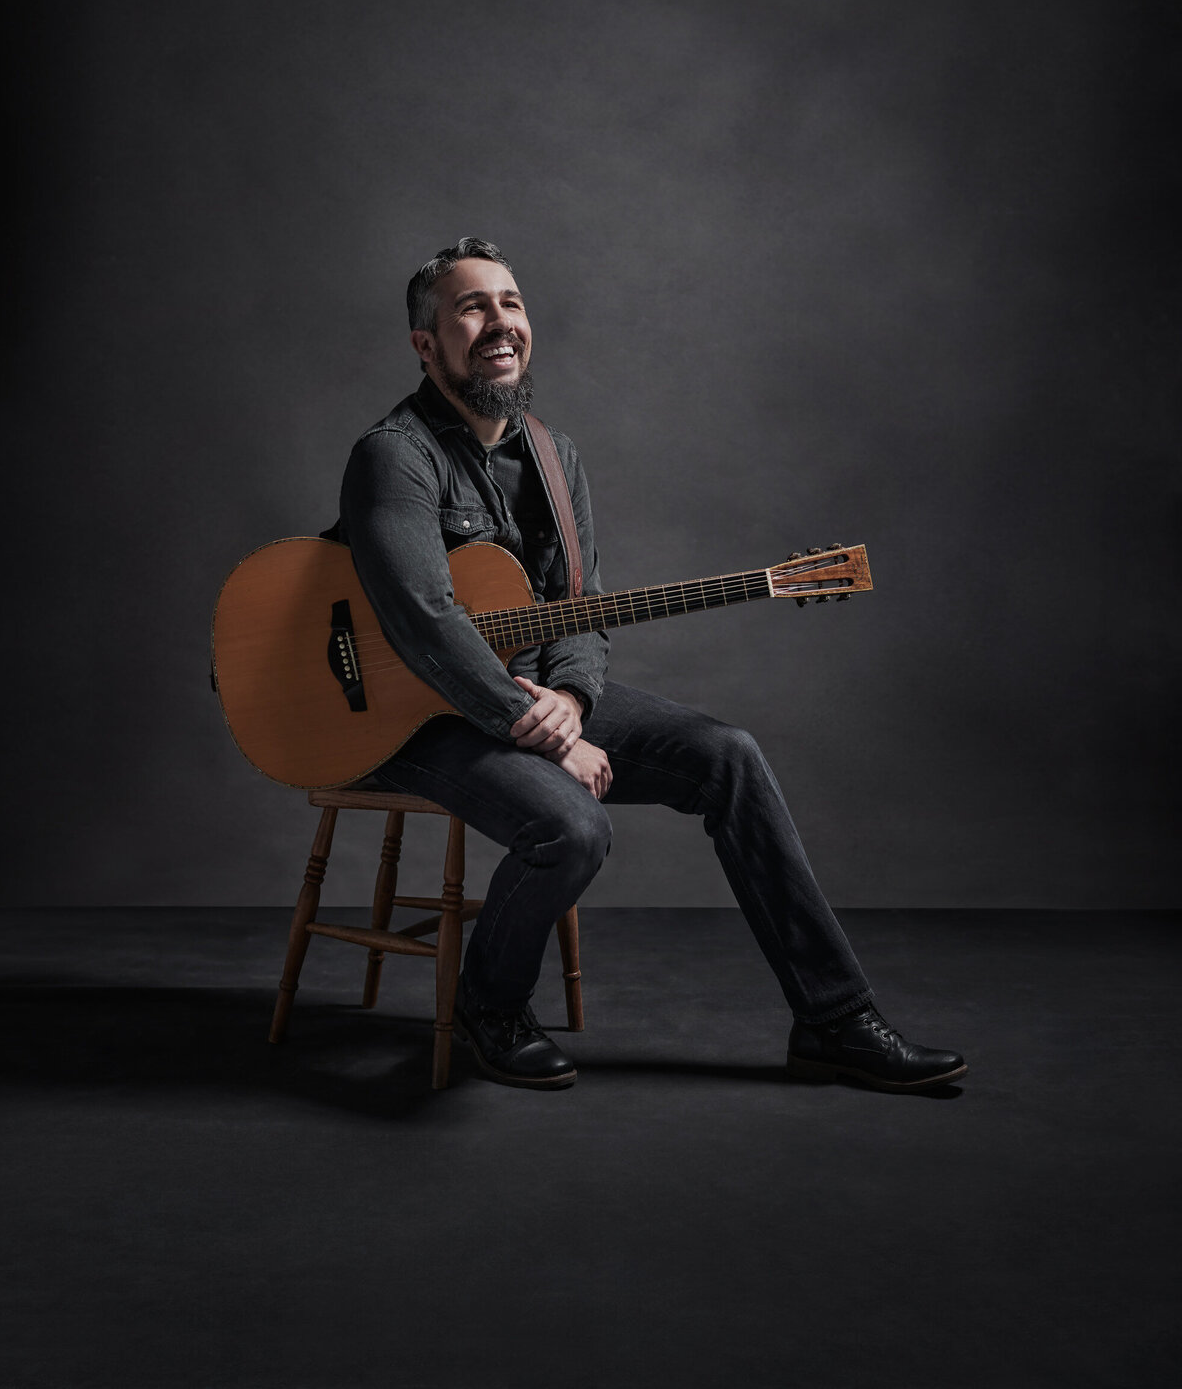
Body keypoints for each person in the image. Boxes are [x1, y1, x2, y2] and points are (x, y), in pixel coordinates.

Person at [337, 237, 966, 1094]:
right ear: (426, 342)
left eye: (511, 302)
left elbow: (582, 611)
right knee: (574, 827)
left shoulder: (558, 461)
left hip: (517, 692)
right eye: (472, 307)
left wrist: (567, 693)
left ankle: (835, 1019)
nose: (500, 323)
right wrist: (548, 737)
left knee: (728, 754)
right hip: (399, 710)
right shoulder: (395, 454)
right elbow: (424, 622)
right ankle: (489, 1007)